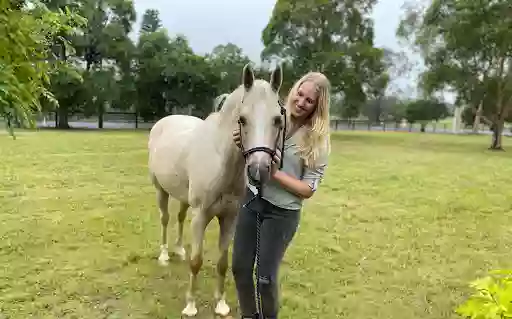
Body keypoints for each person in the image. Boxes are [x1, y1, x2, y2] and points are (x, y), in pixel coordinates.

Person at [231, 71, 332, 319]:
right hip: (252, 200)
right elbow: (253, 144)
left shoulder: (318, 140)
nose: (301, 102)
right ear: (294, 89)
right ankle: (248, 316)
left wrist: (275, 174)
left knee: (265, 278)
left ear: (317, 106)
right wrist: (242, 141)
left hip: (282, 213)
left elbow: (308, 190)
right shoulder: (273, 116)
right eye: (300, 94)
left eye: (309, 101)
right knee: (240, 269)